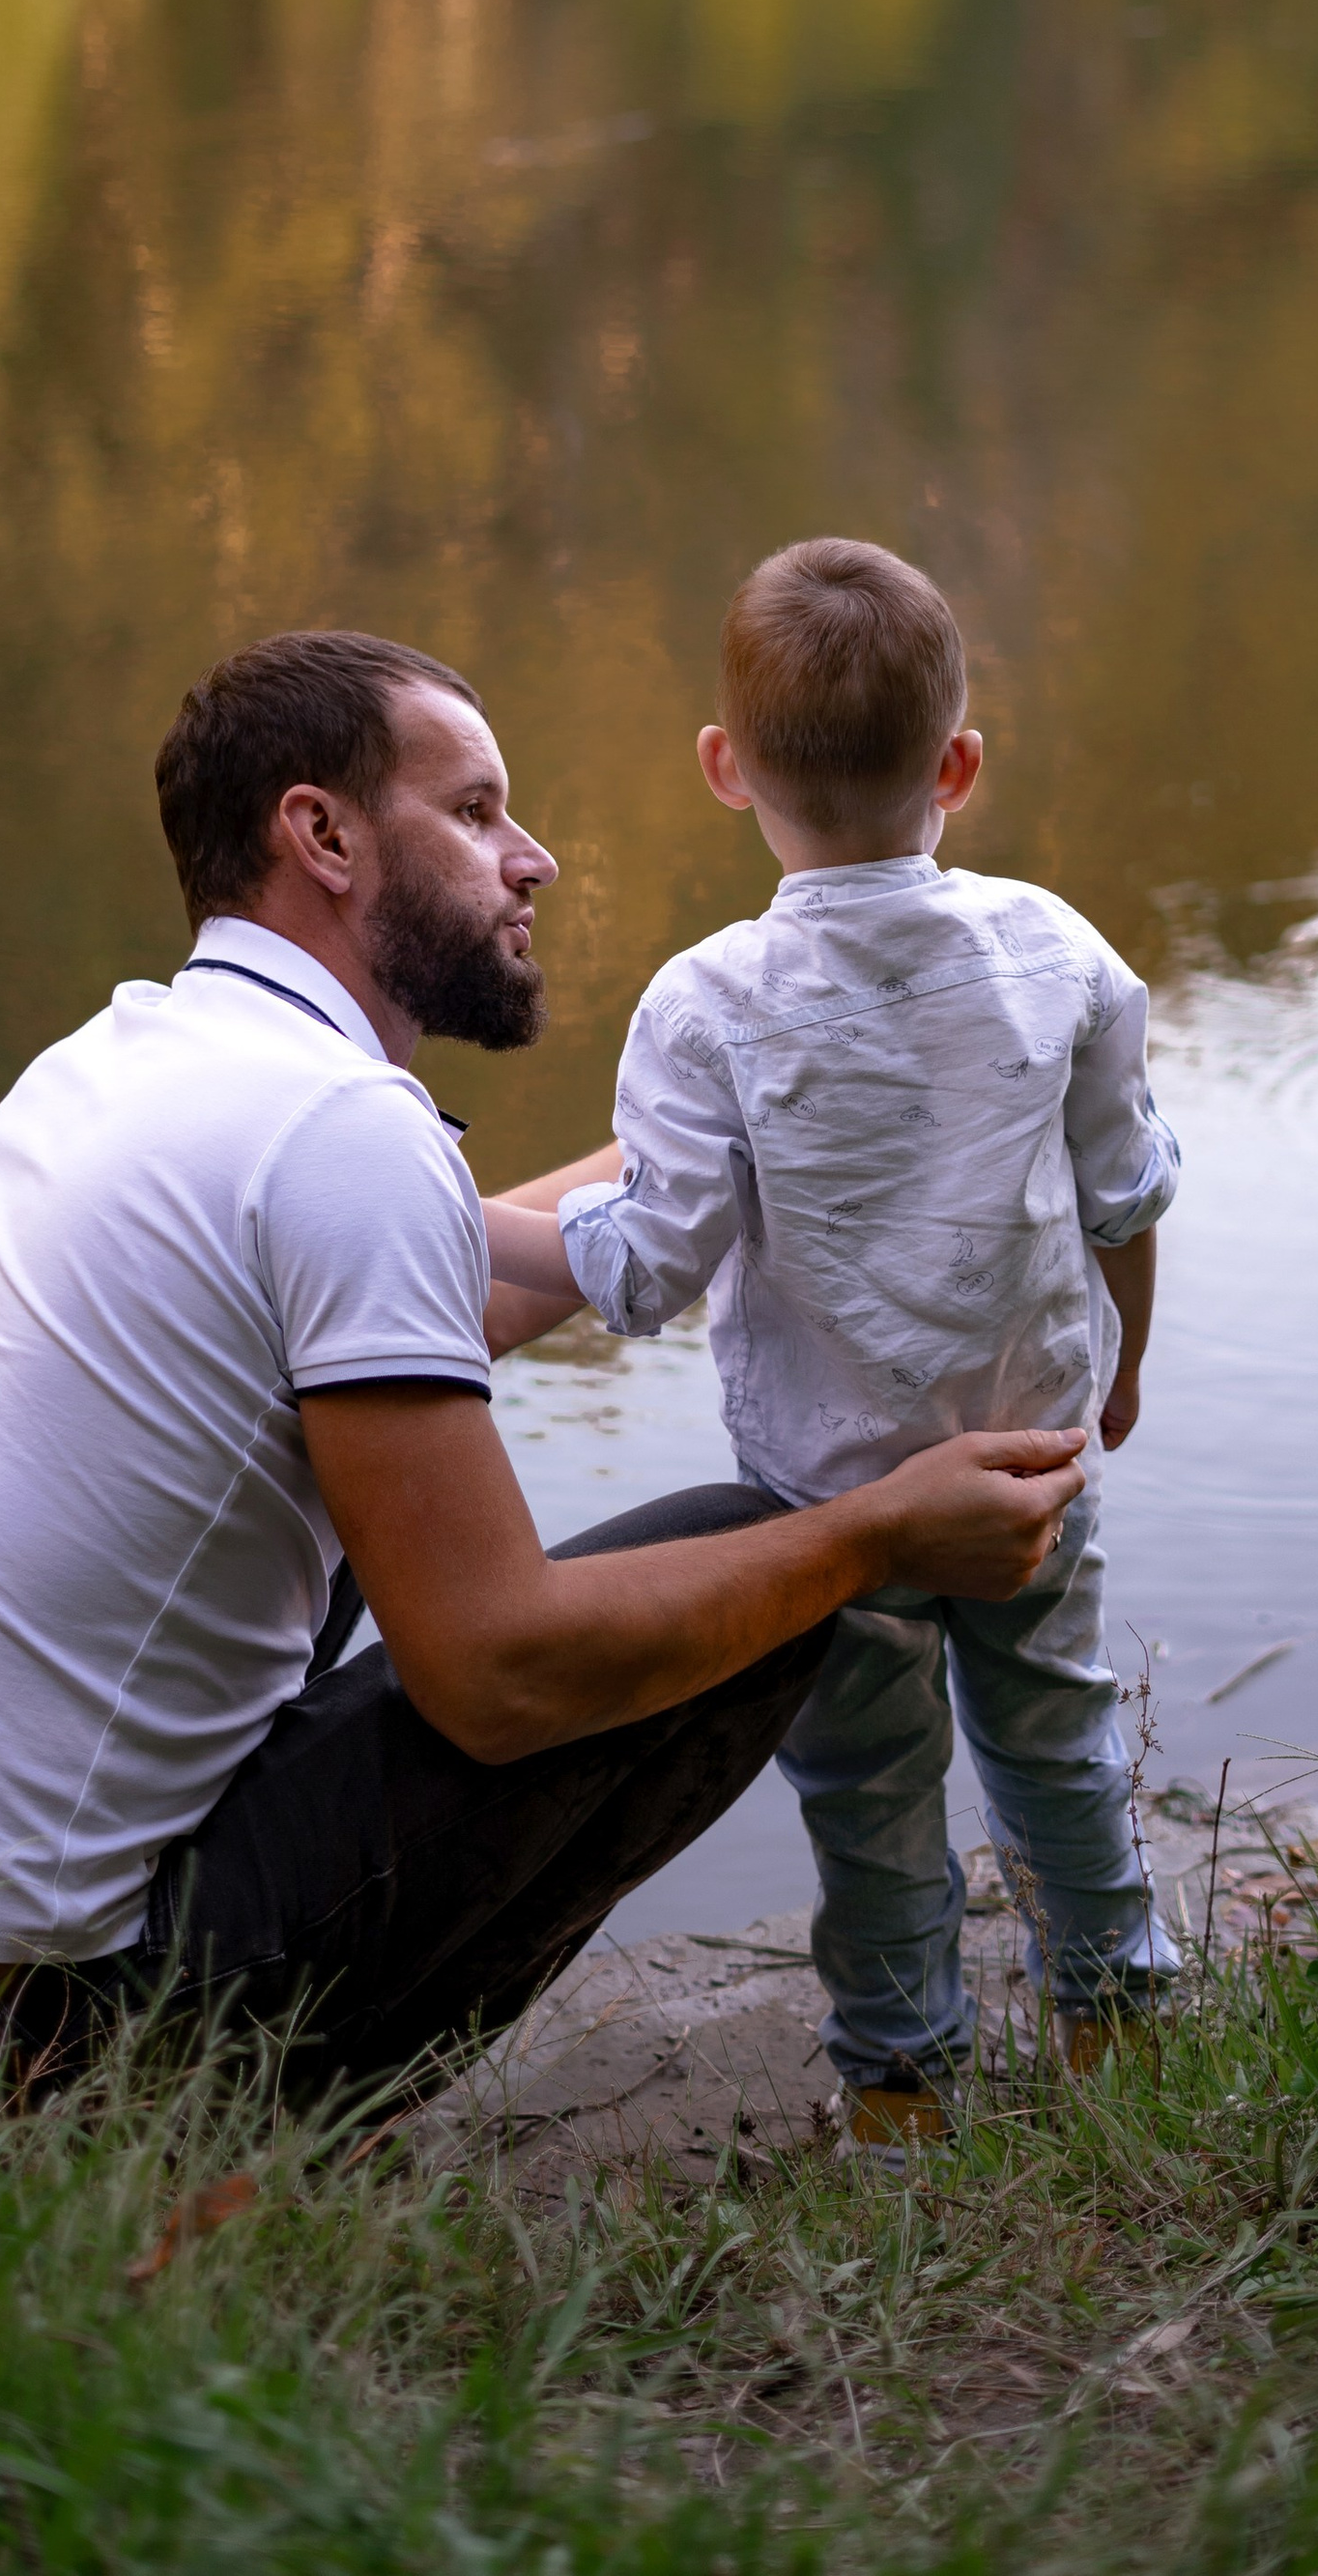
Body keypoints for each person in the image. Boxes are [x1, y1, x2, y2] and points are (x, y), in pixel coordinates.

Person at [0, 628, 1087, 2108]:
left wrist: (755, 1130)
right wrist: (874, 1528)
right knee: (755, 1560)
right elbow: (496, 1677)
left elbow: (440, 1295)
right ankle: (252, 2140)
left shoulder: (134, 1061)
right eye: (479, 812)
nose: (534, 859)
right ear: (324, 834)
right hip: (44, 2033)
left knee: (382, 1483)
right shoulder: (344, 1133)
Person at [480, 542, 1182, 2145]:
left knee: (869, 1802)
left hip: (821, 1505)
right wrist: (1123, 1371)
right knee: (1061, 1741)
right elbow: (1125, 1201)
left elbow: (647, 1272)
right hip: (1031, 1461)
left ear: (724, 769)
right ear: (960, 765)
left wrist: (453, 1221)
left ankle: (904, 2085)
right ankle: (1121, 2029)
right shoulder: (1063, 954)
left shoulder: (703, 1005)